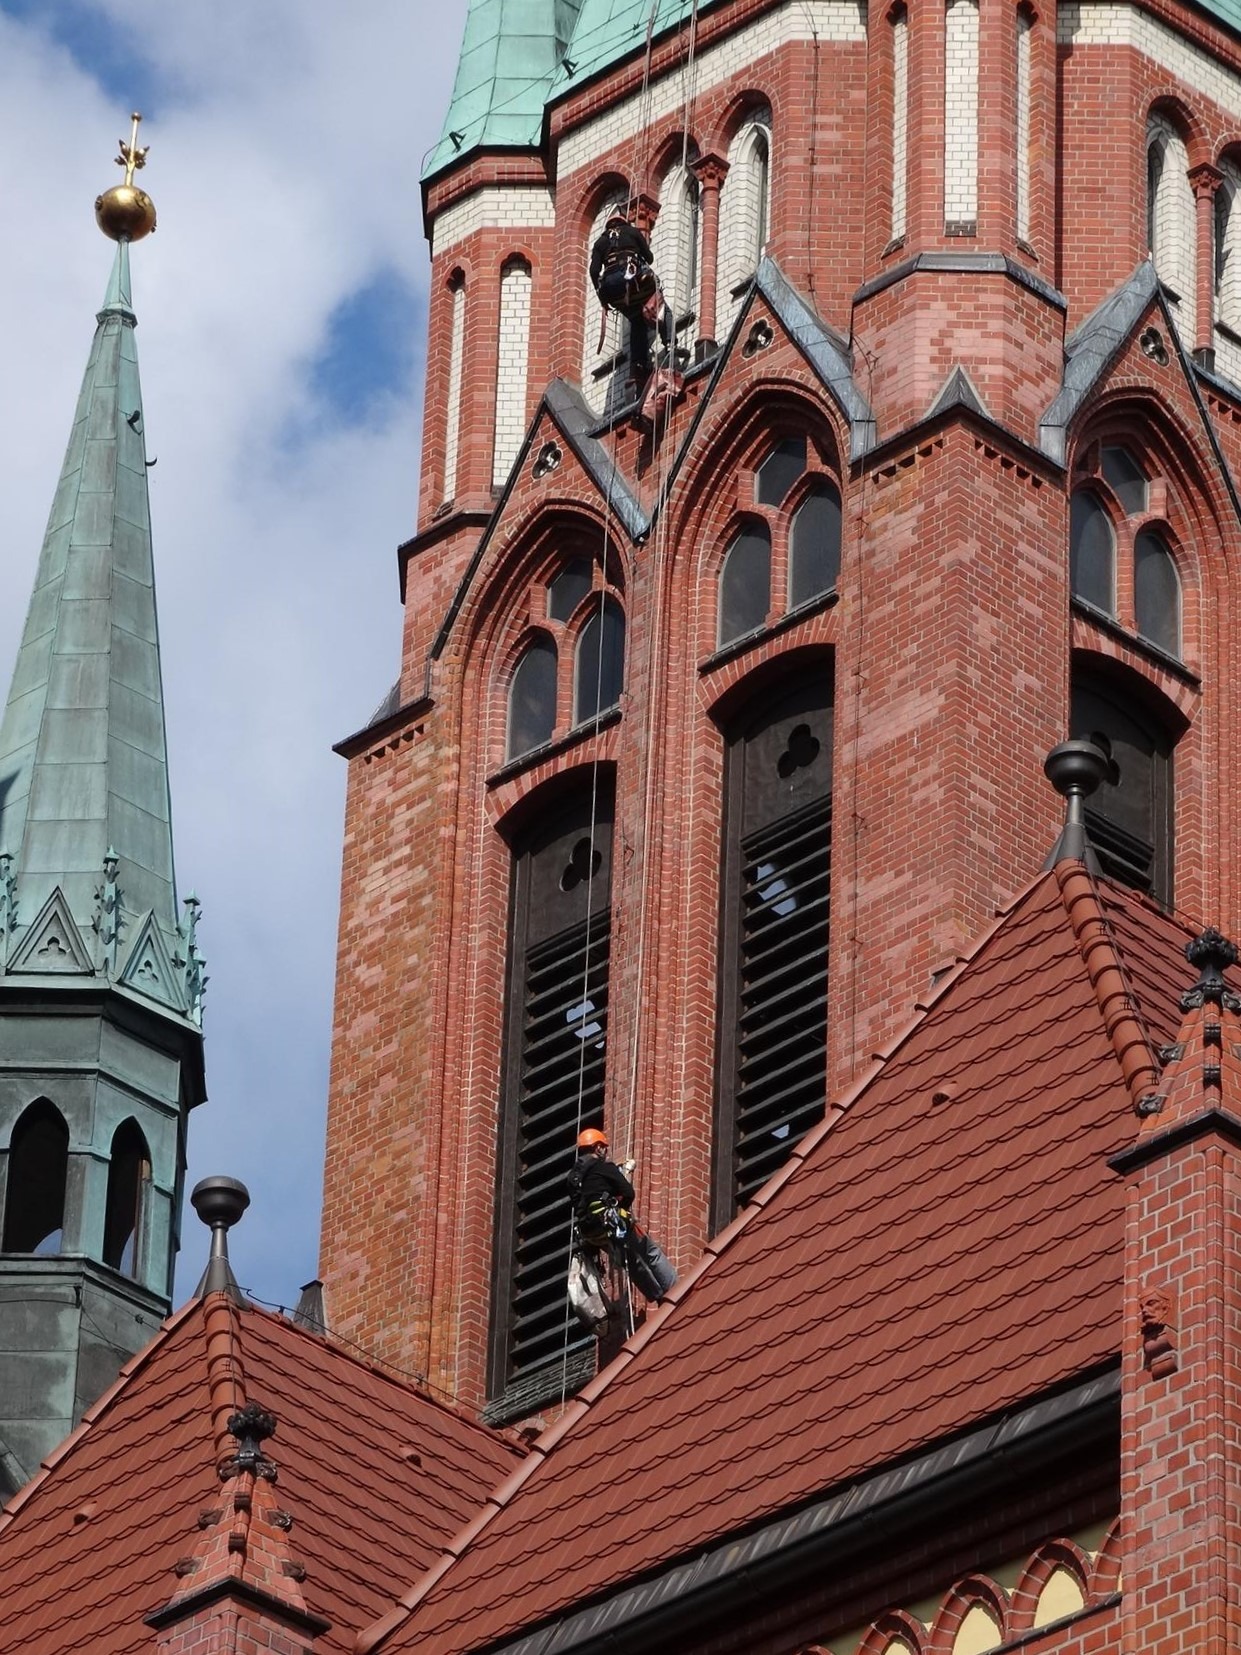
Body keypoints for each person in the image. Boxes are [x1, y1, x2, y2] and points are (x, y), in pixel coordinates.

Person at [567, 1127, 676, 1301]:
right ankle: (676, 1289)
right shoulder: (603, 1167)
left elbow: (583, 1202)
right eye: (603, 1147)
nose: (605, 1151)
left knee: (631, 1263)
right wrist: (621, 1207)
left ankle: (658, 1297)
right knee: (650, 1251)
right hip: (611, 1221)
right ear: (597, 1148)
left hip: (592, 1232)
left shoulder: (573, 1178)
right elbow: (628, 1193)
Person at [588, 212, 671, 382]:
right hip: (633, 281)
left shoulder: (600, 242)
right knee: (660, 302)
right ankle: (670, 341)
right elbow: (649, 258)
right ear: (623, 221)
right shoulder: (632, 232)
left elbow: (594, 271)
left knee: (636, 320)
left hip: (612, 290)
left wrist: (600, 292)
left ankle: (638, 363)